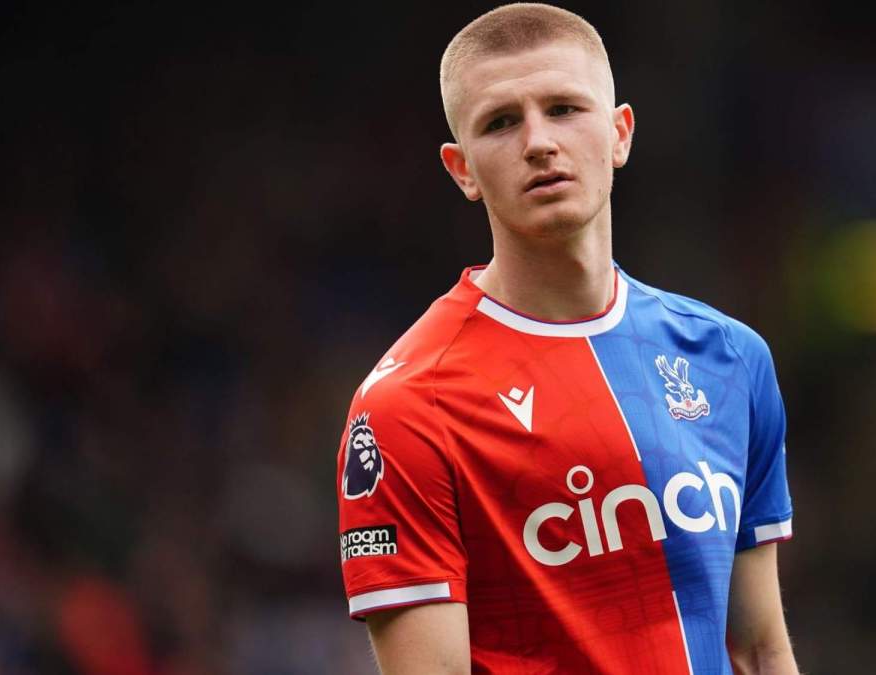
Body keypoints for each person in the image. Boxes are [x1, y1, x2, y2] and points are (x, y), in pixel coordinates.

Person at [335, 4, 799, 673]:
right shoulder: (408, 407)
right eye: (500, 121)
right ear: (461, 169)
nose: (538, 142)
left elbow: (758, 649)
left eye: (563, 109)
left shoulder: (731, 360)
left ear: (619, 133)